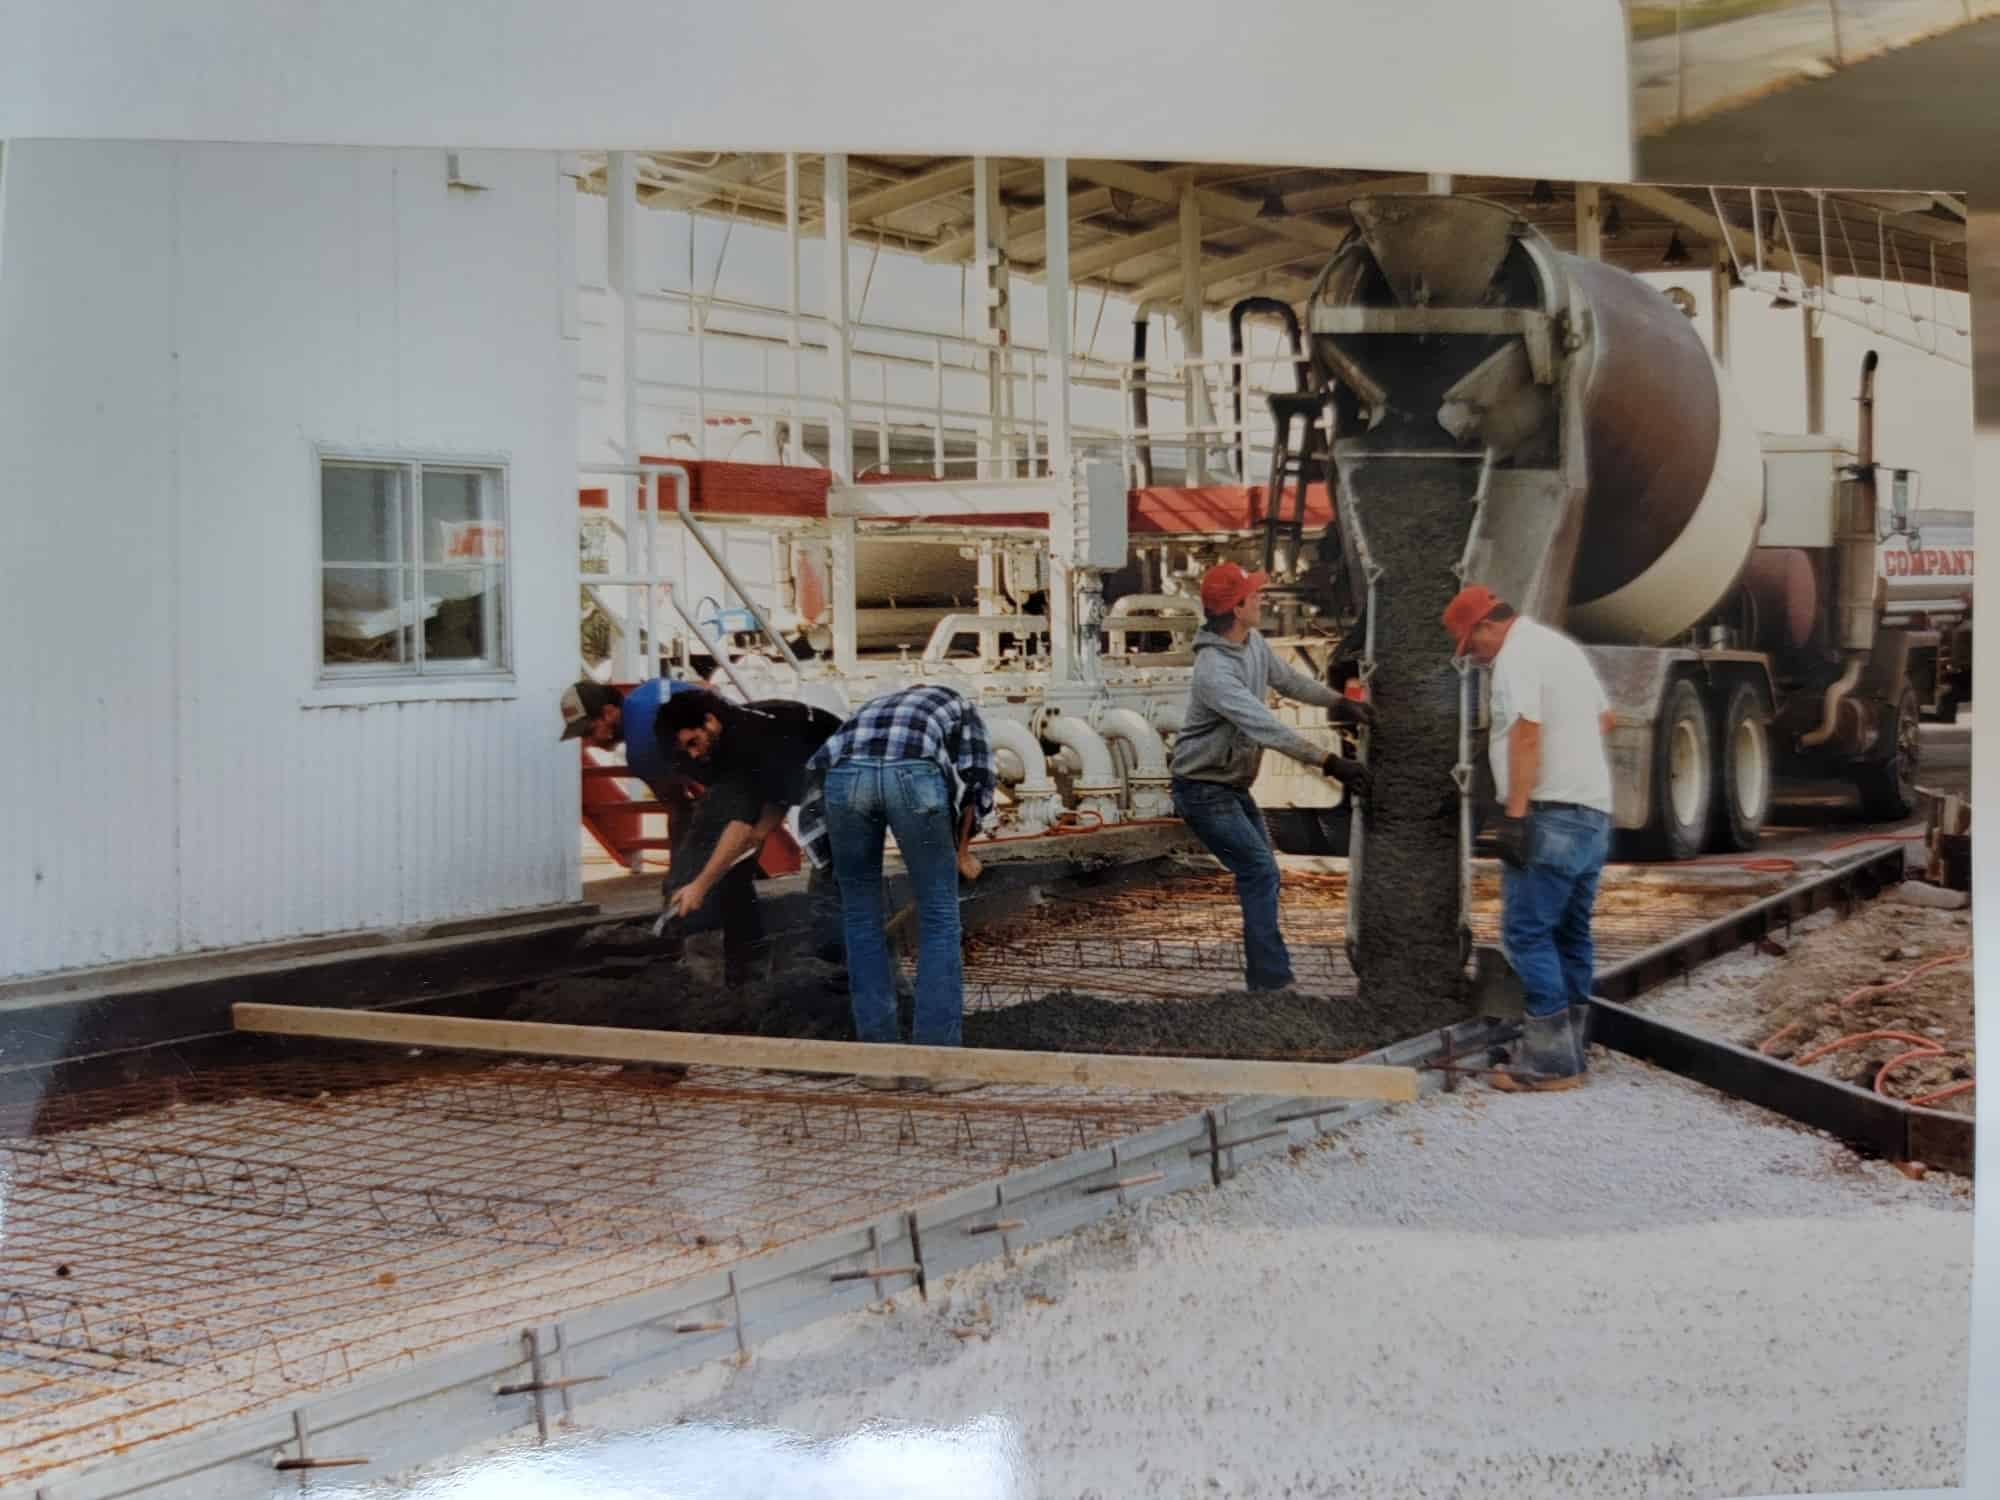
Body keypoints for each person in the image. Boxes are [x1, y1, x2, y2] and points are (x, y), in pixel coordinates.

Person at [1442, 584, 1617, 1093]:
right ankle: (1573, 1049)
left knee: (1526, 934)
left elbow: (1525, 731)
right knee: (1571, 932)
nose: (1473, 658)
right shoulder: (1561, 649)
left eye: (1471, 646)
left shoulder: (1516, 657)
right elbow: (1605, 720)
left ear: (1486, 626)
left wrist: (1514, 814)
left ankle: (1549, 1064)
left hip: (1551, 814)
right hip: (1591, 812)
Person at [1170, 562, 1374, 994]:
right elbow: (1266, 727)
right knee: (1260, 871)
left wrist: (1340, 703)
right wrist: (1330, 763)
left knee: (1263, 872)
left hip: (1231, 786)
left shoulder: (1253, 643)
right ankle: (1271, 982)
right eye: (1254, 595)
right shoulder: (1214, 672)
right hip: (1202, 790)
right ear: (1236, 608)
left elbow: (1292, 681)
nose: (1261, 599)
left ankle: (1268, 977)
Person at [796, 684, 996, 1094]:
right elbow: (976, 780)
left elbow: (822, 768)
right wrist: (962, 850)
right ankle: (938, 1065)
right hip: (912, 776)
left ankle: (881, 1065)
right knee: (940, 919)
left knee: (859, 918)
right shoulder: (960, 706)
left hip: (845, 779)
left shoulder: (872, 706)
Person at [643, 686, 845, 989]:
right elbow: (777, 790)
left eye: (693, 742)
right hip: (802, 770)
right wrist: (760, 831)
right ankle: (746, 971)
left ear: (709, 721)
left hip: (846, 771)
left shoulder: (749, 740)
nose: (695, 754)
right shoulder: (729, 740)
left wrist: (699, 885)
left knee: (829, 877)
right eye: (687, 751)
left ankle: (840, 977)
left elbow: (739, 825)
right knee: (721, 830)